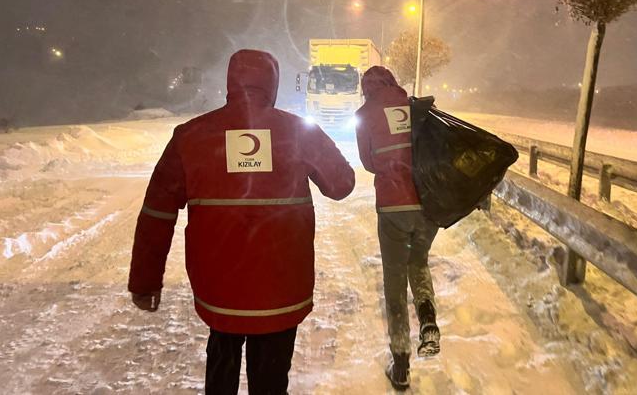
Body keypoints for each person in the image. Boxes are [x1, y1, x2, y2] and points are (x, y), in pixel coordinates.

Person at [128, 49, 355, 395]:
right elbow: (342, 185)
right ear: (273, 84)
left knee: (221, 364)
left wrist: (145, 281)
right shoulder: (297, 131)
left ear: (230, 84)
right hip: (281, 292)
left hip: (220, 292)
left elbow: (157, 213)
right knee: (271, 382)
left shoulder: (190, 136)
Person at [354, 66, 440, 391]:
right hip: (425, 203)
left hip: (392, 206)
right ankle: (428, 319)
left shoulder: (365, 114)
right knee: (418, 263)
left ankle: (401, 363)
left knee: (394, 280)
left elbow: (368, 162)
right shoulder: (414, 106)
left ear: (367, 89)